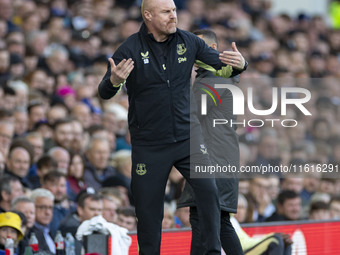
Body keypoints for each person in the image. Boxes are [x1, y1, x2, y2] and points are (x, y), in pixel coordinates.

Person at [98, 0, 247, 254]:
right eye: (166, 11)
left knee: (209, 191)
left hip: (188, 138)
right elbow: (104, 91)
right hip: (150, 145)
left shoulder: (188, 41)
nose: (173, 16)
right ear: (148, 15)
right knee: (148, 211)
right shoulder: (130, 48)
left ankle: (212, 251)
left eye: (175, 10)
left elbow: (223, 65)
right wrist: (114, 80)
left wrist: (241, 64)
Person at [177, 29, 243, 255]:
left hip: (212, 159)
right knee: (214, 219)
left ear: (212, 49)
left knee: (210, 219)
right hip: (219, 157)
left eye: (199, 45)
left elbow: (191, 113)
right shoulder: (216, 76)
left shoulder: (215, 77)